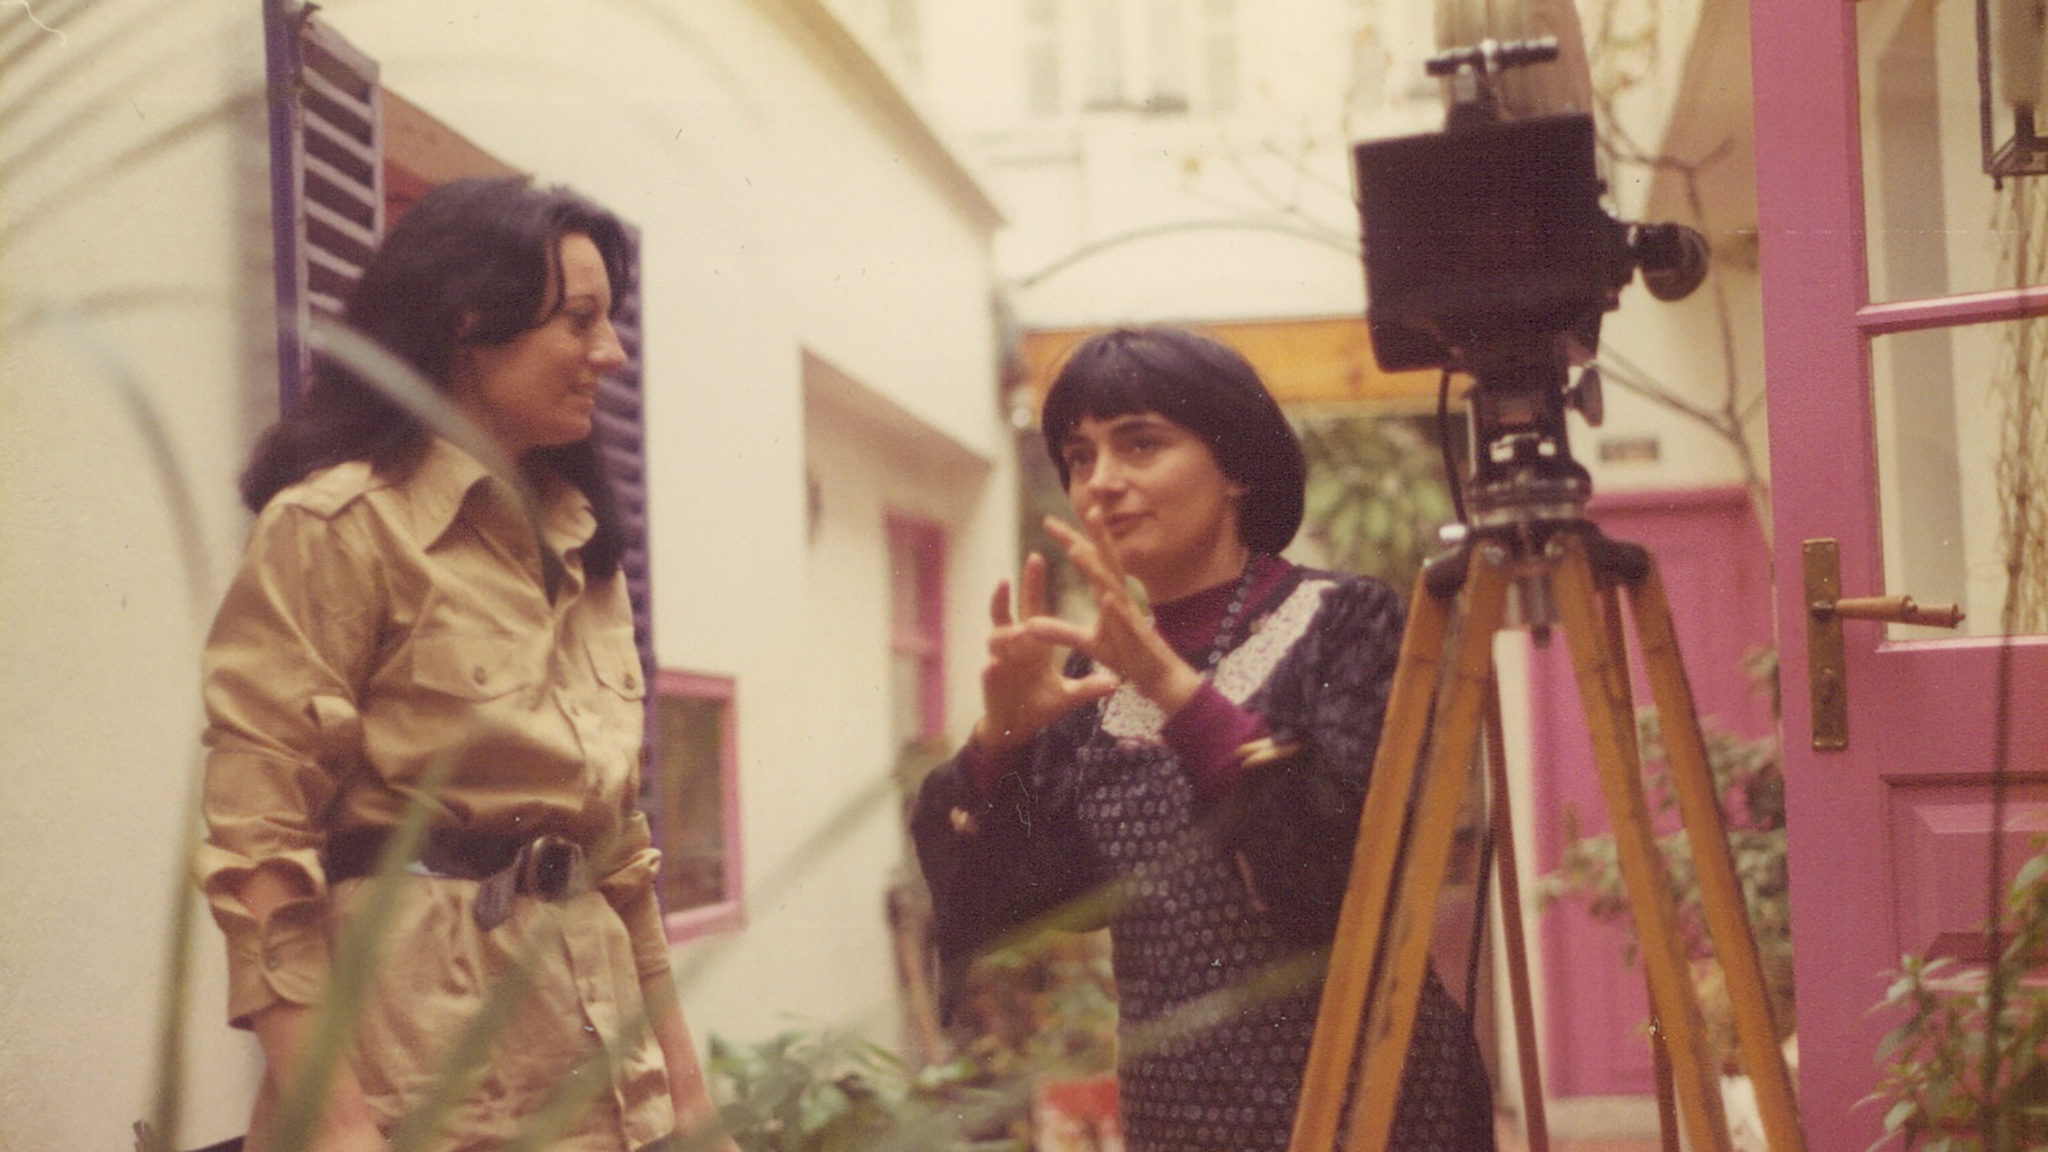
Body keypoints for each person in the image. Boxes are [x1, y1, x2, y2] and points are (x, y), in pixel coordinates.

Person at [196, 177, 733, 1152]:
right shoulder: (340, 530)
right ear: (470, 320)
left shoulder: (584, 554)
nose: (609, 354)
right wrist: (335, 1122)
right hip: (416, 1097)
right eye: (579, 321)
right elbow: (257, 850)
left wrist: (686, 1102)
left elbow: (617, 856)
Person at [912, 326, 1495, 1152]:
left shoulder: (1344, 623)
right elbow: (1012, 904)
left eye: (1140, 444)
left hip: (1374, 1103)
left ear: (1237, 466)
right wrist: (998, 742)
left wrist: (1178, 693)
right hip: (1182, 1120)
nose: (1102, 484)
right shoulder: (1094, 684)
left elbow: (1353, 872)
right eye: (1081, 457)